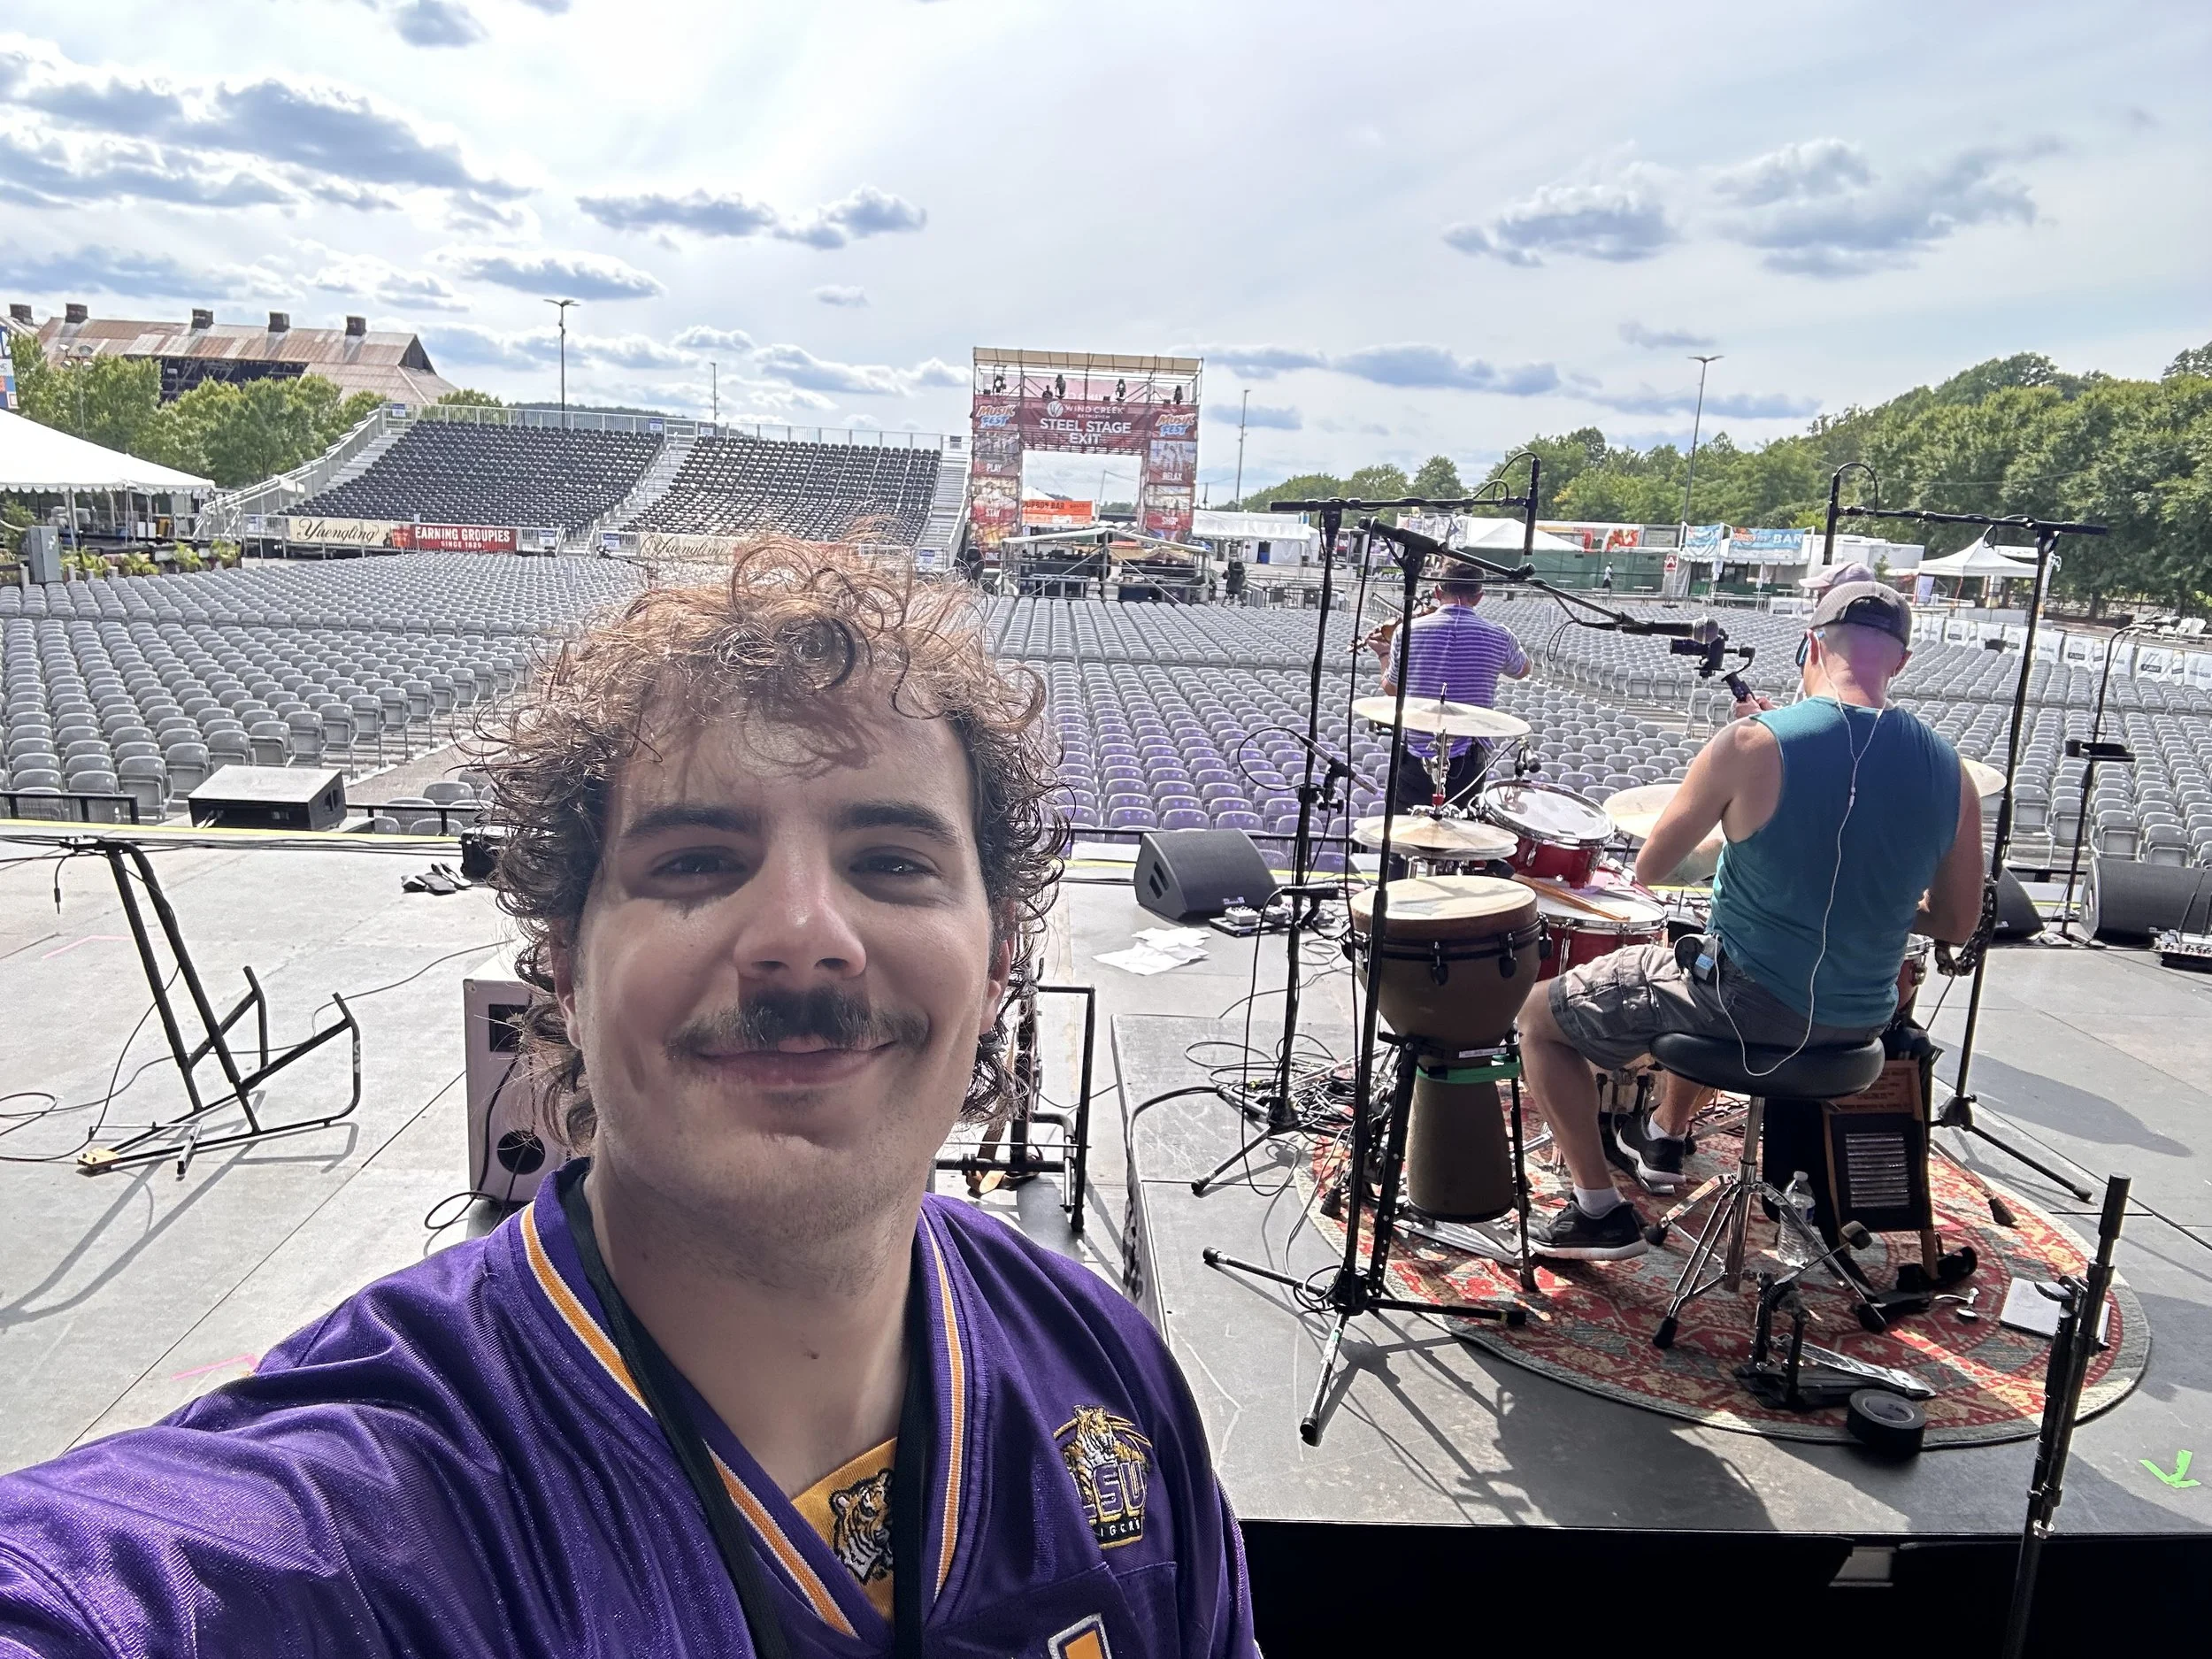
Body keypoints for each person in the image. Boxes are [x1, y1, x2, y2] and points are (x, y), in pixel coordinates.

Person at [0, 541, 1257, 1658]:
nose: (804, 933)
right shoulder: (364, 1503)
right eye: (698, 861)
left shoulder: (1104, 1358)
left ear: (996, 962)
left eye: (892, 860)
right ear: (562, 956)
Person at [1517, 581, 1985, 1258]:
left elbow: (1655, 867)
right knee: (1708, 977)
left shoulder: (1753, 742)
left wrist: (1737, 833)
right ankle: (1667, 1134)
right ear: (1902, 663)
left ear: (1812, 645)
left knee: (1537, 1015)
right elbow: (1957, 921)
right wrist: (1872, 889)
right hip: (1860, 1024)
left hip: (1747, 1005)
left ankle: (1598, 1209)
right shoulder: (1952, 773)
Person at [1367, 574, 1531, 815]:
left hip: (1416, 753)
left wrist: (1383, 654)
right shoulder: (1500, 635)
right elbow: (1523, 670)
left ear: (1437, 591)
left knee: (1406, 834)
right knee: (1461, 833)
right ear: (1479, 597)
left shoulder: (1406, 632)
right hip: (1469, 758)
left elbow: (1393, 689)